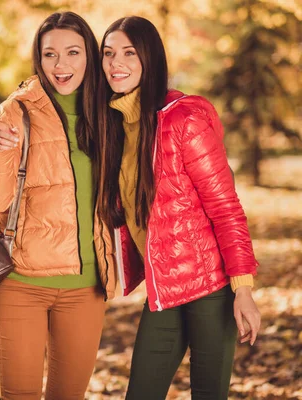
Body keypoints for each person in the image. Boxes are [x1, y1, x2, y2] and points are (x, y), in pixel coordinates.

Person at [97, 16, 262, 400]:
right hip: (164, 290)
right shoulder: (116, 123)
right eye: (108, 54)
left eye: (128, 53)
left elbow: (225, 207)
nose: (115, 63)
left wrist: (244, 289)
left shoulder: (184, 119)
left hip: (212, 288)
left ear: (149, 59)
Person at [0, 11, 117, 400]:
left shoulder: (110, 112)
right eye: (50, 54)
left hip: (86, 289)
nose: (62, 65)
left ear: (89, 54)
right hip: (22, 283)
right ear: (38, 58)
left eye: (72, 52)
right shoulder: (14, 111)